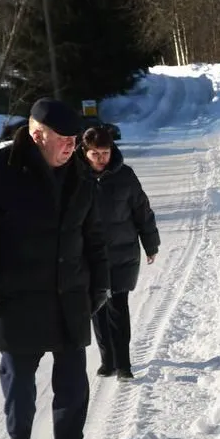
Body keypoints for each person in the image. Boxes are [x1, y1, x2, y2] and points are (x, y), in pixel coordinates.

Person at [0, 98, 111, 439]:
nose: (72, 146)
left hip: (67, 292)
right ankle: (20, 437)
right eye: (64, 139)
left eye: (75, 139)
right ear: (38, 134)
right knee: (19, 377)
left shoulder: (79, 174)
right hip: (15, 297)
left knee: (73, 377)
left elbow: (93, 235)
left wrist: (101, 284)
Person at [80, 126, 159, 380]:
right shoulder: (75, 177)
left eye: (105, 152)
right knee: (97, 308)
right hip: (88, 256)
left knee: (118, 305)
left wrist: (151, 243)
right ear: (85, 152)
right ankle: (108, 360)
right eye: (95, 154)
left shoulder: (125, 176)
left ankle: (123, 364)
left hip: (121, 252)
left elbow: (142, 210)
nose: (101, 158)